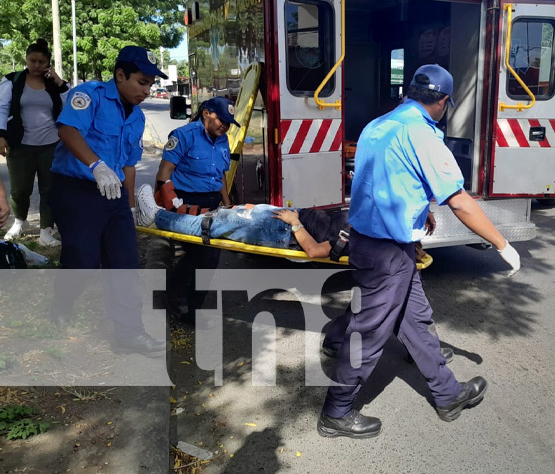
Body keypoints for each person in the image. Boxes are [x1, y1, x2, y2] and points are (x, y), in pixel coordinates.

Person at [318, 64, 521, 439]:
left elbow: (385, 177)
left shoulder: (378, 125)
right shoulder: (423, 135)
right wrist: (501, 243)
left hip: (372, 241)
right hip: (387, 251)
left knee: (415, 320)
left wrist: (420, 206)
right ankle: (336, 412)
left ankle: (448, 395)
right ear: (443, 101)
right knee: (371, 330)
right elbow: (459, 201)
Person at [49, 45, 168, 356]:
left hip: (114, 195)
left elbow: (129, 165)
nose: (147, 90)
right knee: (83, 261)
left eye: (151, 84)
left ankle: (130, 332)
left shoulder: (137, 118)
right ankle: (62, 302)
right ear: (120, 75)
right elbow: (68, 130)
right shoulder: (92, 95)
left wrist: (127, 208)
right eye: (142, 82)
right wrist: (96, 165)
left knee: (124, 261)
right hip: (76, 188)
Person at [154, 96, 238, 324]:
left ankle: (192, 308)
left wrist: (226, 203)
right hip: (185, 203)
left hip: (211, 205)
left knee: (211, 257)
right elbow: (164, 172)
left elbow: (220, 174)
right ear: (206, 113)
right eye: (222, 120)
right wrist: (162, 207)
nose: (225, 126)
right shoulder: (184, 136)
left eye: (229, 123)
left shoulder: (222, 140)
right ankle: (176, 299)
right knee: (200, 255)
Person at [136, 183, 348, 258]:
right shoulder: (375, 224)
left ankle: (155, 216)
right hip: (287, 217)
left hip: (283, 229)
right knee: (220, 216)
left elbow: (315, 251)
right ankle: (160, 214)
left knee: (212, 225)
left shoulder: (361, 240)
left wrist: (295, 223)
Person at [0, 39, 69, 246]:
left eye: (41, 62)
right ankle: (20, 221)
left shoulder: (54, 83)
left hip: (51, 144)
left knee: (50, 188)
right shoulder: (13, 80)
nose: (37, 66)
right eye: (33, 61)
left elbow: (72, 104)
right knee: (20, 189)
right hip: (19, 145)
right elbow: (2, 107)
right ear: (27, 59)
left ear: (48, 62)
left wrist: (59, 81)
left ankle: (46, 231)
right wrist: (1, 135)